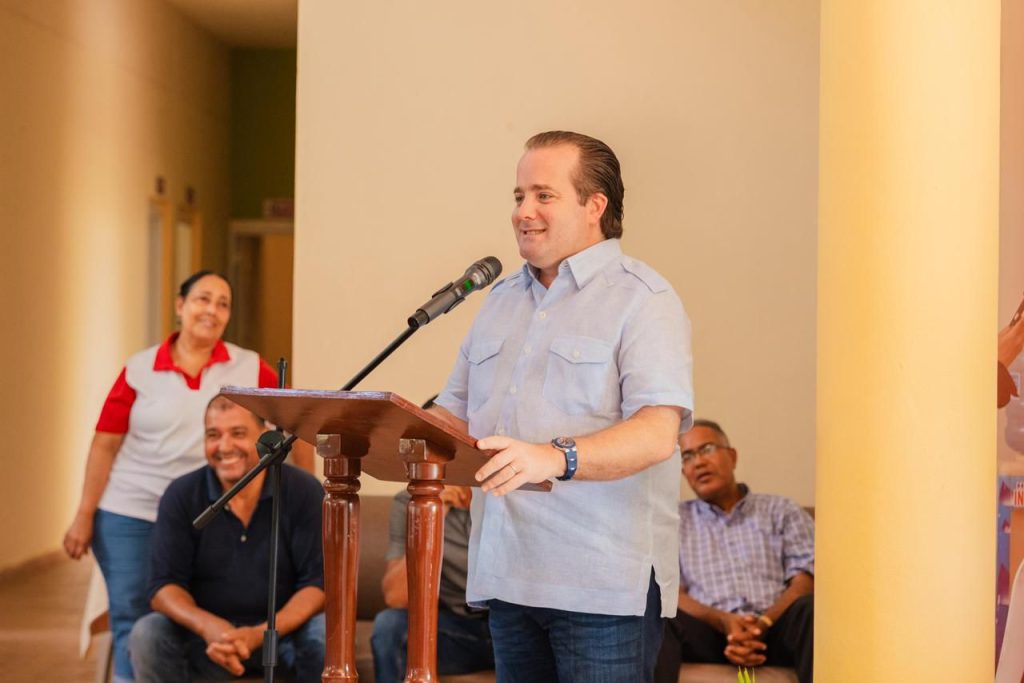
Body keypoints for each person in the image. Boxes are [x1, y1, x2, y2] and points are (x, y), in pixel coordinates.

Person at [431, 130, 694, 683]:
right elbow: (453, 414)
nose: (523, 211)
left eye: (543, 195)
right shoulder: (499, 301)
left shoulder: (644, 300)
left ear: (594, 205)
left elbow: (655, 434)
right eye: (519, 195)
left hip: (600, 587)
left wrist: (552, 457)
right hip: (507, 576)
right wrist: (365, 424)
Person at [62, 271, 284, 683]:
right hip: (133, 510)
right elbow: (105, 444)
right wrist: (84, 514)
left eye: (223, 304)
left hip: (206, 511)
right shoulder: (139, 368)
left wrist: (293, 489)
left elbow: (292, 424)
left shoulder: (249, 366)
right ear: (180, 306)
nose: (212, 310)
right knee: (133, 613)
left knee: (191, 609)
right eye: (203, 299)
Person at [129, 396, 325, 683]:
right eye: (213, 435)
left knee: (323, 633)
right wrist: (209, 627)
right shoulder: (181, 494)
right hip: (208, 642)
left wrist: (259, 634)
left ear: (264, 437)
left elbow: (318, 585)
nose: (224, 446)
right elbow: (163, 587)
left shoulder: (304, 490)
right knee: (148, 634)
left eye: (238, 433)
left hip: (283, 637)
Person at [653, 419, 814, 683]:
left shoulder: (781, 510)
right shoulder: (674, 521)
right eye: (687, 457)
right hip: (710, 632)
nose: (698, 463)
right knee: (658, 613)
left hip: (775, 627)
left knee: (811, 609)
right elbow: (673, 594)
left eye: (706, 449)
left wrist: (763, 624)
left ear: (732, 456)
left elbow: (804, 582)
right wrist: (724, 621)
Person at [371, 485, 494, 682]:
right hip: (459, 629)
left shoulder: (510, 499)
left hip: (512, 624)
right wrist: (431, 515)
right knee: (390, 625)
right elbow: (396, 597)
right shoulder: (411, 502)